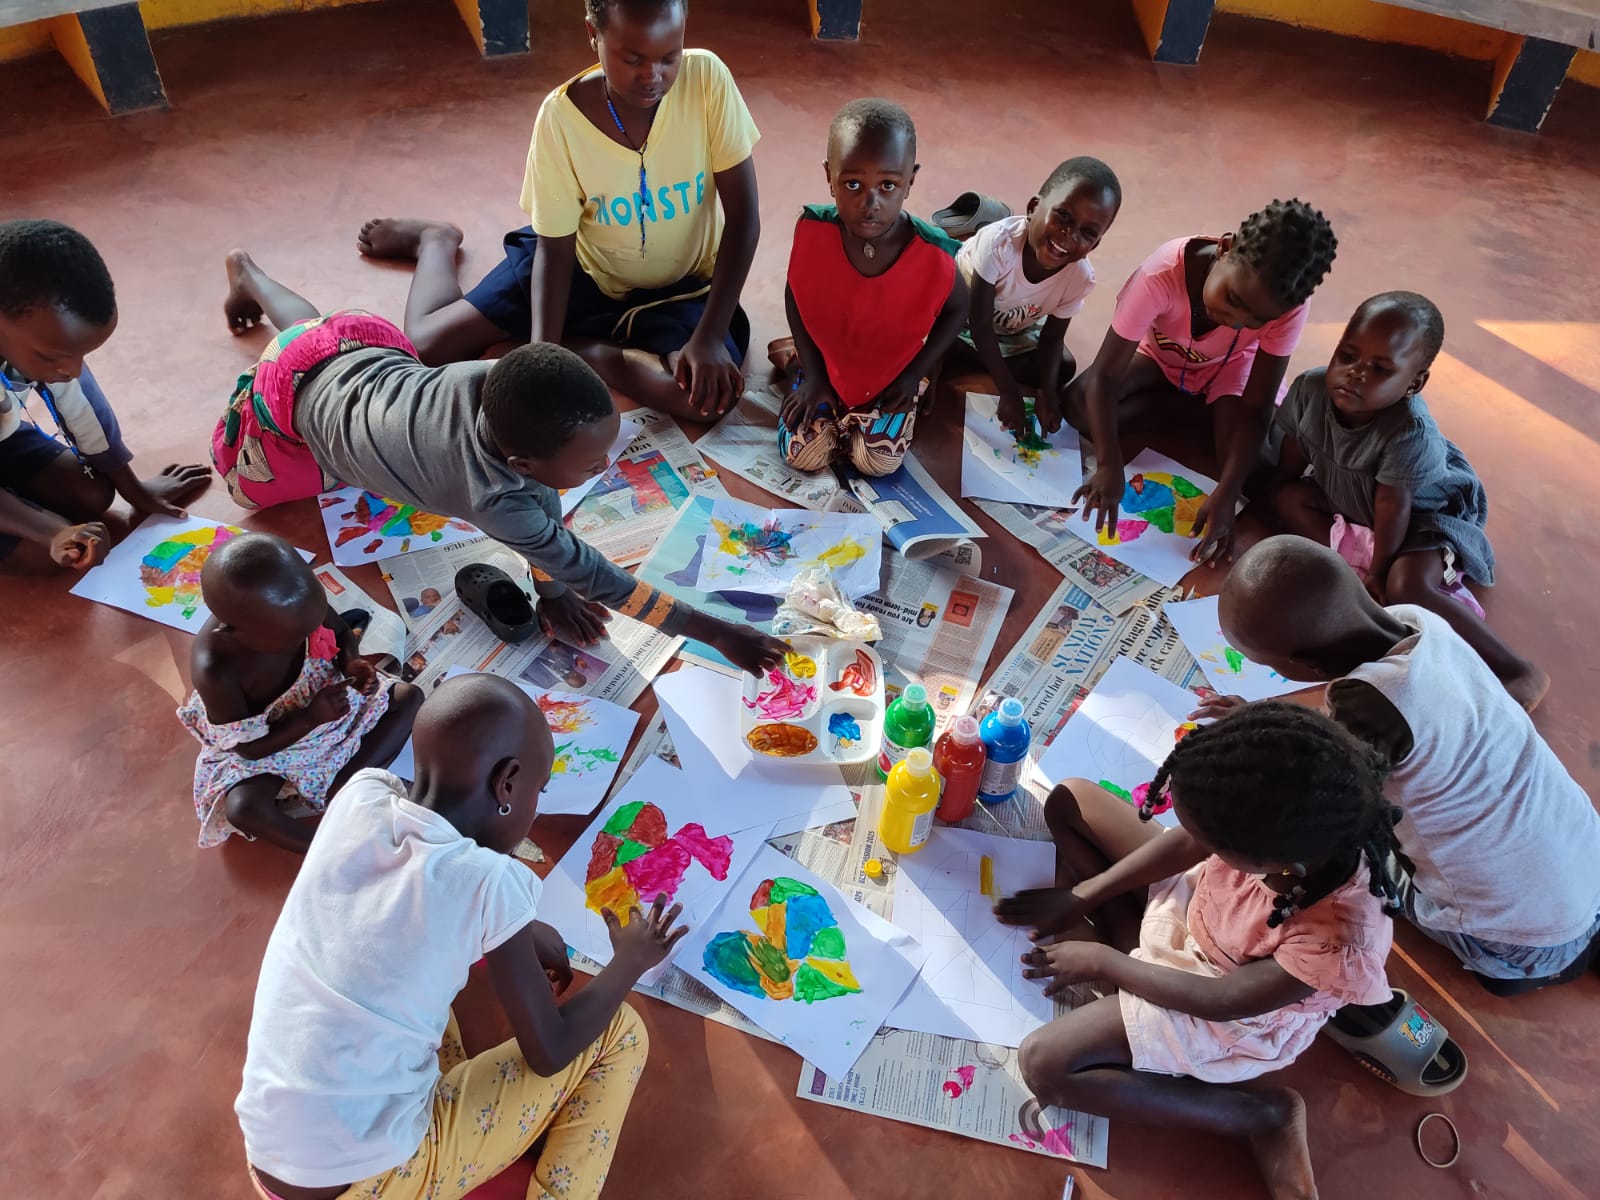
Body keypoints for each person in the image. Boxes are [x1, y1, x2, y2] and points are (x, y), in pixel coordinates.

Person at [215, 250, 786, 676]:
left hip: (351, 348)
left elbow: (547, 519)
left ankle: (252, 274)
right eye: (590, 466)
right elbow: (592, 572)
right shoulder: (494, 496)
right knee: (254, 483)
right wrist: (714, 631)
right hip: (298, 405)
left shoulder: (492, 381)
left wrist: (555, 592)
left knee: (304, 334)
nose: (603, 467)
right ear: (521, 463)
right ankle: (247, 274)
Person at [236, 673, 685, 1200]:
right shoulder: (492, 884)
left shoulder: (360, 796)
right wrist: (629, 962)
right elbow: (551, 1051)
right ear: (508, 783)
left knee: (411, 975)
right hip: (375, 1183)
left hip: (271, 1157)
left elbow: (430, 868)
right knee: (621, 1032)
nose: (536, 807)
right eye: (538, 792)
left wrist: (523, 930)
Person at [998, 703, 1398, 1200]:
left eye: (1208, 839)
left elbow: (1222, 1000)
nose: (1192, 838)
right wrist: (1086, 894)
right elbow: (1188, 847)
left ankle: (1258, 1116)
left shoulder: (1339, 938)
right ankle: (1133, 963)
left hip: (1223, 1006)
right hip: (1199, 914)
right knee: (1068, 801)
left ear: (1273, 863)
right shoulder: (1279, 817)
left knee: (1046, 1064)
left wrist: (1103, 962)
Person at [1212, 535, 1600, 996]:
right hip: (1586, 860)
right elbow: (1375, 731)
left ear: (1307, 665)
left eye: (1268, 666)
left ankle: (1515, 967)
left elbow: (1318, 795)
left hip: (1516, 943)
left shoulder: (1368, 706)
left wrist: (1253, 736)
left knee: (1348, 856)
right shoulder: (1417, 621)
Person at [352, 0, 759, 422]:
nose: (652, 76)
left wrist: (710, 334)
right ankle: (434, 240)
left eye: (669, 57)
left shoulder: (708, 79)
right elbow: (556, 252)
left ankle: (580, 349)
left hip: (684, 288)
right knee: (426, 346)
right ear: (593, 35)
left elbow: (744, 217)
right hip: (583, 270)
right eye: (632, 58)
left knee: (705, 402)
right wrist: (543, 361)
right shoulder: (560, 119)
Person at [1264, 291, 1544, 709]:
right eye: (1348, 355)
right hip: (1349, 495)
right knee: (1287, 500)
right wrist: (1273, 489)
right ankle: (1361, 570)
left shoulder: (1409, 431)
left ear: (1414, 382)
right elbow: (1294, 446)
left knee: (1406, 584)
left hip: (1423, 518)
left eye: (1379, 369)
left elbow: (1394, 507)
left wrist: (1379, 570)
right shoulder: (1310, 388)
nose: (1355, 374)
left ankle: (1518, 669)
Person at [1069, 199, 1337, 563]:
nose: (1236, 321)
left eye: (1256, 319)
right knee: (1079, 405)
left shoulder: (1288, 305)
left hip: (1232, 370)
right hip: (1160, 359)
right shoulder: (1161, 273)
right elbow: (1105, 373)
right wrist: (1109, 464)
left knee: (1256, 471)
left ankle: (1210, 412)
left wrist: (1227, 494)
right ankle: (1205, 412)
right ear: (1225, 248)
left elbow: (1257, 404)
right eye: (1233, 298)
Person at [179, 532, 422, 851]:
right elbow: (248, 750)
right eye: (291, 636)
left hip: (328, 705)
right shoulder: (214, 669)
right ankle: (325, 850)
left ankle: (339, 787)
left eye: (310, 625)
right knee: (244, 808)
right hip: (273, 742)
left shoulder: (299, 601)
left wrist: (351, 661)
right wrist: (309, 719)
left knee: (410, 698)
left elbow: (340, 632)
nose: (306, 637)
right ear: (234, 631)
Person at [0, 219, 211, 574]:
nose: (74, 369)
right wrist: (52, 532)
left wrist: (134, 489)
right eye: (52, 358)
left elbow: (82, 405)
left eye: (81, 355)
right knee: (40, 558)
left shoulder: (46, 344)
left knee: (94, 495)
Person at [778, 98, 967, 477]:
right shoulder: (814, 231)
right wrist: (815, 373)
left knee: (878, 462)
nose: (870, 202)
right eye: (852, 183)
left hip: (892, 374)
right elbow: (794, 292)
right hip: (826, 362)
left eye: (888, 185)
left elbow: (958, 309)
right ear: (828, 176)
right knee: (803, 455)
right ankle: (803, 372)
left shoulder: (933, 254)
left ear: (910, 181)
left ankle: (885, 403)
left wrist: (915, 373)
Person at [949, 157, 1122, 436]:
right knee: (932, 342)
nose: (1069, 235)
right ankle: (972, 358)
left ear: (1096, 243)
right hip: (965, 319)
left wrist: (1047, 392)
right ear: (1033, 208)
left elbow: (1052, 339)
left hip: (1010, 329)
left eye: (1088, 232)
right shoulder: (999, 244)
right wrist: (1009, 391)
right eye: (1063, 215)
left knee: (1063, 368)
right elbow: (979, 323)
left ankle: (972, 360)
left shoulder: (1079, 278)